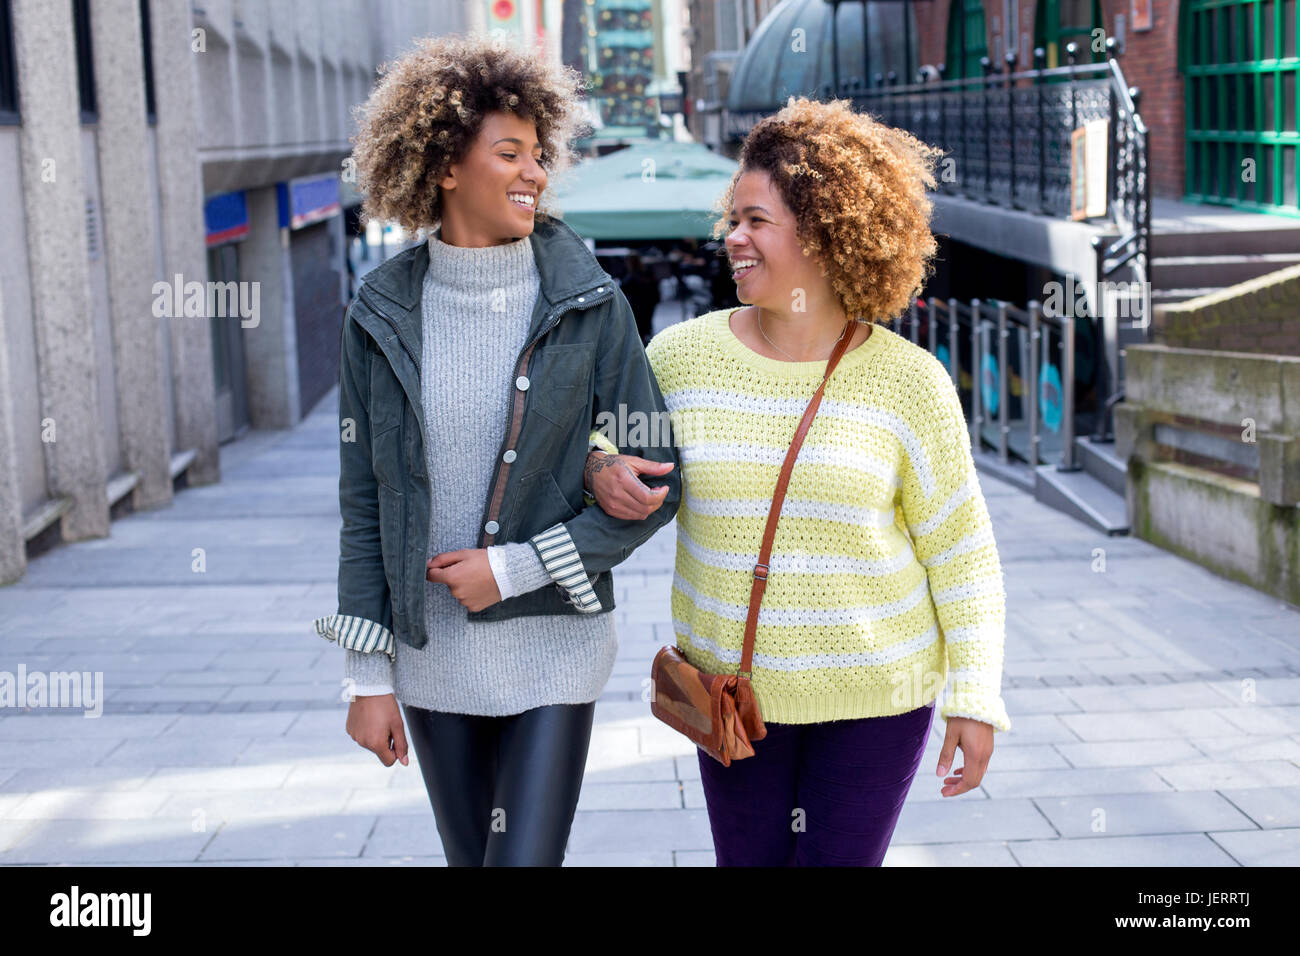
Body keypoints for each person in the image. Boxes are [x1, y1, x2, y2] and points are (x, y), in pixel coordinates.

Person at [586, 96, 1012, 866]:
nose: (732, 239)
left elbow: (962, 553)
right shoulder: (680, 358)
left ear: (823, 231)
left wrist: (976, 698)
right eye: (733, 219)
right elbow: (608, 444)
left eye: (755, 221)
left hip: (877, 701)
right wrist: (600, 464)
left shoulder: (910, 381)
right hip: (731, 699)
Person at [311, 33, 681, 866]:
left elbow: (664, 477)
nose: (536, 174)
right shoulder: (380, 312)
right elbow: (364, 502)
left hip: (554, 641)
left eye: (539, 155)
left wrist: (515, 568)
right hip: (433, 656)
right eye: (509, 152)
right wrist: (366, 681)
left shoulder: (590, 301)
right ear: (445, 165)